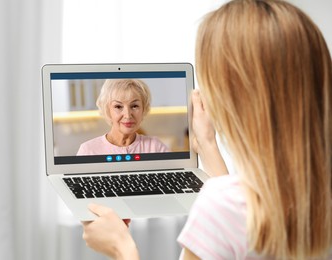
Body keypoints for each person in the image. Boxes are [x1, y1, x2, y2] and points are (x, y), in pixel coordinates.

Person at [81, 0, 332, 259]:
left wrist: (122, 248)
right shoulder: (300, 195)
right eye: (118, 106)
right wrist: (207, 143)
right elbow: (239, 213)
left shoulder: (222, 204)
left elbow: (231, 210)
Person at [76, 79, 170, 155]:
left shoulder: (156, 147)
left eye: (134, 106)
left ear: (143, 109)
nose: (128, 115)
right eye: (118, 106)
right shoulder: (88, 150)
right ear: (108, 110)